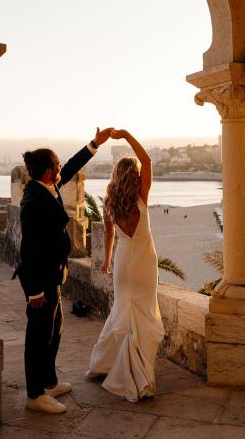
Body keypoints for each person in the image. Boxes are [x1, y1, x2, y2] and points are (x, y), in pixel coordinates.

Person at [16, 127, 112, 414]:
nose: (60, 168)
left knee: (54, 328)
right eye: (56, 165)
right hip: (40, 280)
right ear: (47, 171)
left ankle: (48, 381)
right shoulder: (33, 201)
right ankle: (34, 395)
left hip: (54, 275)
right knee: (38, 336)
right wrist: (33, 291)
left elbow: (70, 168)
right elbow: (28, 249)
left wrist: (94, 144)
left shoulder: (46, 186)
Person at [87, 129, 165, 402]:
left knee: (121, 311)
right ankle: (139, 372)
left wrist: (107, 262)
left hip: (123, 262)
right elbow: (149, 161)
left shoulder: (110, 202)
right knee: (143, 314)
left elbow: (109, 235)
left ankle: (104, 364)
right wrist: (126, 135)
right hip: (145, 261)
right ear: (135, 175)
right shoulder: (142, 196)